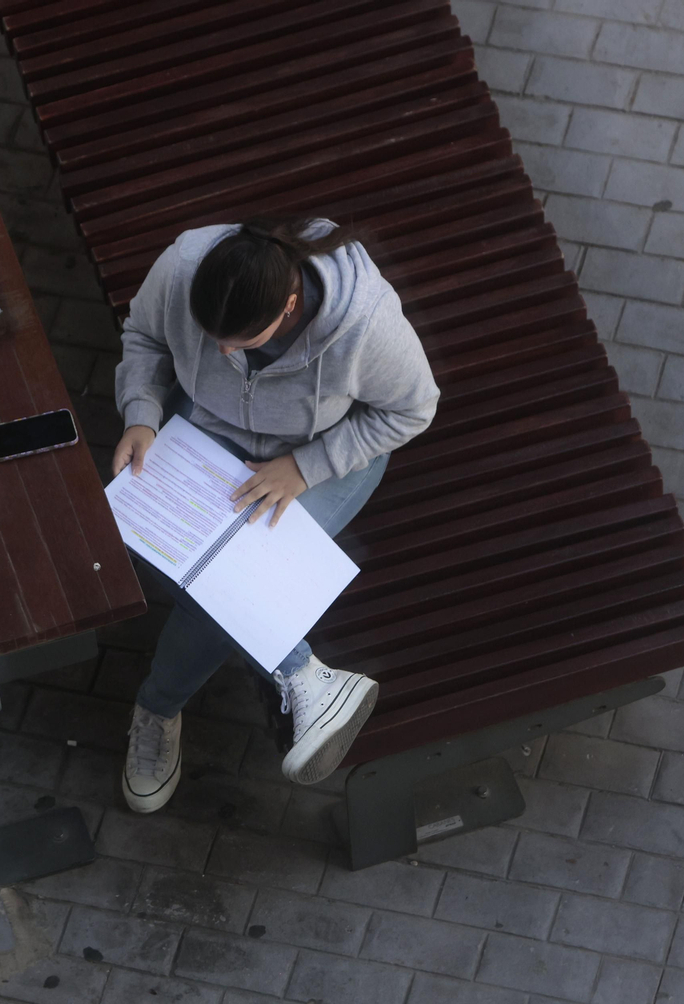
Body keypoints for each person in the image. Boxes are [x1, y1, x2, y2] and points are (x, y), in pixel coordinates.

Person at [111, 216, 440, 813]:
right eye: (213, 336)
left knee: (214, 580)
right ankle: (306, 674)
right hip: (205, 433)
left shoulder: (365, 325)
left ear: (291, 306)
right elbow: (145, 336)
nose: (223, 350)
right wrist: (141, 412)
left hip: (321, 459)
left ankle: (157, 710)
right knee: (213, 570)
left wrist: (308, 466)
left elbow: (413, 410)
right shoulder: (185, 264)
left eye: (241, 340)